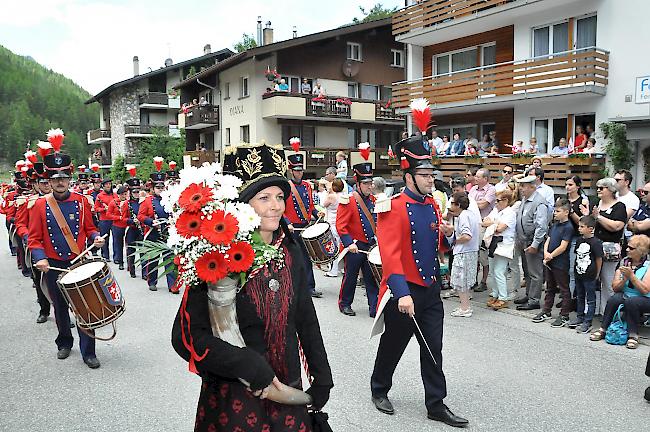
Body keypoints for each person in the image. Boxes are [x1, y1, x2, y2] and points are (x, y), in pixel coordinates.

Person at [171, 143, 333, 432]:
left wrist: (322, 375)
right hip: (233, 397)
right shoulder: (216, 257)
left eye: (280, 196)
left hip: (286, 389)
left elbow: (305, 318)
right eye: (265, 197)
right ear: (243, 204)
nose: (276, 205)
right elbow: (186, 337)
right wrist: (242, 363)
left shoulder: (291, 250)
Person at [370, 134, 468, 428]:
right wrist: (401, 293)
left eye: (431, 174)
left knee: (433, 347)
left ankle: (436, 404)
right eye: (425, 175)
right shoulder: (393, 206)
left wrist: (447, 234)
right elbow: (390, 254)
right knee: (393, 345)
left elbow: (433, 243)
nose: (430, 179)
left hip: (430, 289)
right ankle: (379, 389)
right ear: (409, 175)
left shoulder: (433, 205)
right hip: (405, 291)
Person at [28, 150, 105, 369]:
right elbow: (34, 239)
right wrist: (40, 258)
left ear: (69, 179)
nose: (60, 182)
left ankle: (89, 351)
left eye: (63, 178)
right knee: (60, 307)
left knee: (85, 306)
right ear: (49, 181)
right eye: (55, 179)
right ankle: (64, 341)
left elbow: (90, 228)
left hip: (79, 261)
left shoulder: (82, 202)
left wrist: (95, 238)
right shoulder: (40, 206)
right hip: (53, 265)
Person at [589, 234, 650, 349]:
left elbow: (645, 289)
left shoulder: (648, 265)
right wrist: (625, 279)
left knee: (632, 302)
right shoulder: (624, 262)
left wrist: (631, 276)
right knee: (614, 298)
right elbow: (615, 288)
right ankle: (603, 328)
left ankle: (633, 335)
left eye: (631, 248)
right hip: (628, 296)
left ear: (640, 251)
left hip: (645, 299)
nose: (627, 249)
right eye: (627, 246)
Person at [336, 163, 379, 317]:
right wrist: (349, 243)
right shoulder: (348, 201)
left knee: (372, 278)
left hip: (370, 246)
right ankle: (345, 304)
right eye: (366, 183)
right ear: (358, 184)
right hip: (355, 245)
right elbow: (341, 225)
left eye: (370, 182)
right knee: (350, 277)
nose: (369, 186)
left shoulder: (374, 200)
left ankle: (374, 307)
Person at [284, 153, 324, 298]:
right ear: (291, 170)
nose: (299, 173)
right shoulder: (286, 186)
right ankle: (292, 287)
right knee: (293, 258)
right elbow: (282, 210)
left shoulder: (307, 186)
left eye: (301, 170)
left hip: (306, 226)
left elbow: (311, 206)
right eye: (296, 170)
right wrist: (287, 223)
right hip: (293, 228)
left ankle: (310, 287)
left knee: (307, 258)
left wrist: (316, 213)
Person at [532, 198, 574, 326]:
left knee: (563, 288)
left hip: (560, 262)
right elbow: (548, 240)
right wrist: (545, 252)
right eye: (555, 210)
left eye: (558, 211)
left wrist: (551, 255)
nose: (555, 213)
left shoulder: (568, 227)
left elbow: (563, 246)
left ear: (566, 212)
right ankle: (546, 310)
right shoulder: (554, 225)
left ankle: (564, 314)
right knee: (549, 287)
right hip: (549, 261)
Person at [514, 175, 549, 311]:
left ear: (532, 186)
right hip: (524, 240)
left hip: (532, 241)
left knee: (535, 272)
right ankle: (529, 295)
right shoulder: (526, 199)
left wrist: (535, 244)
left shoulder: (539, 202)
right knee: (527, 270)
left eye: (523, 186)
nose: (521, 188)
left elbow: (541, 226)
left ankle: (534, 300)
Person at [138, 171, 177, 293]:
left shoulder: (171, 200)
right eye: (158, 187)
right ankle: (152, 281)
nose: (160, 189)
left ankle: (172, 285)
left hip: (167, 233)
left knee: (170, 259)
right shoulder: (147, 201)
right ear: (153, 188)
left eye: (162, 187)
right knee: (153, 260)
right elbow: (140, 216)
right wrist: (150, 221)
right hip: (153, 233)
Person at [593, 177, 627, 314]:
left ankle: (608, 311)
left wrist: (599, 217)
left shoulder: (619, 206)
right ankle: (593, 310)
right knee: (593, 278)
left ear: (611, 190)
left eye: (602, 188)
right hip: (594, 246)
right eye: (598, 188)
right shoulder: (597, 204)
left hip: (609, 248)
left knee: (607, 280)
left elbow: (616, 226)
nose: (598, 190)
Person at [443, 191, 480, 317]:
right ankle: (465, 306)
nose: (450, 206)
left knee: (461, 281)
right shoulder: (470, 214)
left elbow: (466, 236)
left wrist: (453, 239)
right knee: (465, 280)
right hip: (471, 251)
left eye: (452, 203)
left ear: (458, 205)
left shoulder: (463, 216)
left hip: (463, 251)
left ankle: (465, 308)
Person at [483, 188, 517, 310]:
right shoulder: (496, 210)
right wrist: (494, 223)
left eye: (498, 200)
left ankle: (503, 297)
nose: (496, 203)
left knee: (499, 271)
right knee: (493, 271)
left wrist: (493, 224)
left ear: (506, 201)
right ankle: (496, 295)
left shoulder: (510, 213)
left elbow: (500, 228)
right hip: (493, 244)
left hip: (504, 245)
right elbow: (485, 221)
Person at [569, 215, 603, 333]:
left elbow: (599, 259)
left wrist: (597, 274)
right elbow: (577, 256)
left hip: (590, 275)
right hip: (579, 273)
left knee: (590, 298)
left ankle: (588, 321)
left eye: (582, 226)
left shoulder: (596, 242)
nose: (579, 228)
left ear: (591, 228)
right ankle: (580, 317)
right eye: (579, 226)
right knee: (580, 296)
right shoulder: (579, 240)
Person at [469, 168, 495, 292]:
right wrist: (476, 203)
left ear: (485, 179)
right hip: (473, 224)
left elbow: (484, 205)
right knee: (474, 253)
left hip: (484, 225)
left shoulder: (491, 189)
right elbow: (466, 204)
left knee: (483, 254)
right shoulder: (473, 189)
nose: (476, 178)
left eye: (478, 177)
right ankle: (474, 279)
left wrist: (473, 203)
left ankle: (484, 281)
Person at [566, 175, 590, 297]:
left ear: (578, 186)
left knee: (572, 269)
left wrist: (571, 211)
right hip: (563, 236)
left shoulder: (583, 201)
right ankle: (565, 296)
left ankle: (571, 297)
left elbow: (583, 222)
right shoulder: (564, 199)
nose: (567, 187)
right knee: (562, 268)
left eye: (570, 185)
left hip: (575, 237)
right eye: (566, 184)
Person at [323, 178, 344, 277]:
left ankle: (334, 270)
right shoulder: (344, 196)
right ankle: (341, 268)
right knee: (341, 245)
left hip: (331, 223)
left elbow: (324, 204)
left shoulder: (331, 196)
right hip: (341, 222)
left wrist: (328, 192)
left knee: (333, 247)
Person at [125, 177, 144, 279]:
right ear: (130, 192)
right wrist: (132, 221)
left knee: (143, 251)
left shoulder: (143, 202)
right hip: (132, 229)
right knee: (131, 251)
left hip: (141, 229)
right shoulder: (127, 204)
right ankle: (132, 270)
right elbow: (123, 219)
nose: (137, 193)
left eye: (138, 191)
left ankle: (145, 273)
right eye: (134, 192)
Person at [614, 169, 640, 245]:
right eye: (614, 179)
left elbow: (624, 217)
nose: (614, 182)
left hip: (626, 236)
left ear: (626, 182)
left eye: (617, 180)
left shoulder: (633, 199)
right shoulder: (613, 195)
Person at [107, 186, 129, 270]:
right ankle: (120, 262)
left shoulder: (128, 202)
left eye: (125, 194)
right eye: (122, 195)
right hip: (117, 226)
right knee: (119, 245)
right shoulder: (113, 203)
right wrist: (118, 217)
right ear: (118, 195)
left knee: (129, 245)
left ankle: (130, 263)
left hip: (127, 226)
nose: (124, 196)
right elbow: (108, 214)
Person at [94, 178, 116, 261]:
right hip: (104, 219)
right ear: (103, 186)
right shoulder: (99, 196)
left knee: (115, 239)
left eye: (109, 184)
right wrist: (104, 209)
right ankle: (105, 255)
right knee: (104, 238)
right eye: (106, 185)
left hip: (114, 219)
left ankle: (116, 257)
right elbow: (96, 208)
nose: (108, 186)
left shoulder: (115, 195)